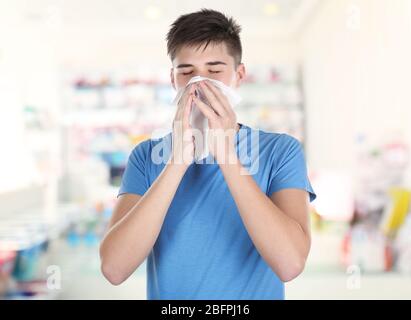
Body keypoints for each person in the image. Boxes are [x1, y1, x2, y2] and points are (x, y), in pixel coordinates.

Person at [99, 8, 317, 300]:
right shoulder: (147, 156)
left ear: (239, 75)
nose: (199, 84)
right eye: (186, 72)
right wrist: (177, 162)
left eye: (214, 71)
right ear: (172, 79)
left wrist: (226, 153)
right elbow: (114, 268)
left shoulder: (280, 151)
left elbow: (290, 264)